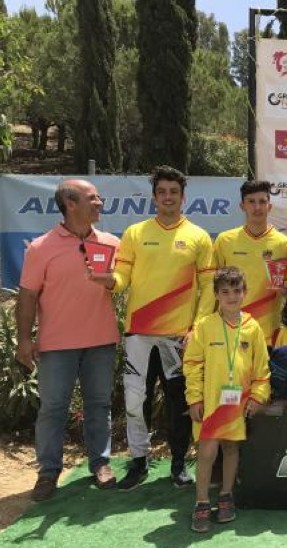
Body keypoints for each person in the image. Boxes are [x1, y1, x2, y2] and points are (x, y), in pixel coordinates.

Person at [95, 165, 215, 491]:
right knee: (135, 401)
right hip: (139, 334)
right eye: (162, 192)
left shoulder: (199, 237)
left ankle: (178, 465)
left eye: (173, 192)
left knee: (179, 404)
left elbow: (209, 288)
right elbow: (121, 279)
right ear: (154, 197)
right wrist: (109, 282)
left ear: (182, 196)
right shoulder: (135, 233)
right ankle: (139, 462)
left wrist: (197, 328)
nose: (167, 198)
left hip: (179, 338)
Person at [17, 180, 120, 500]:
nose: (100, 203)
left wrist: (111, 281)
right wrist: (23, 340)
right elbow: (27, 297)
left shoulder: (110, 242)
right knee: (53, 408)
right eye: (93, 198)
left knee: (99, 405)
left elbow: (120, 283)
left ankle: (100, 463)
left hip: (101, 341)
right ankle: (48, 472)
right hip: (56, 345)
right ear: (71, 204)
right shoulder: (40, 248)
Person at [183, 267, 270, 533]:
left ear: (245, 292)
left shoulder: (252, 327)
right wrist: (194, 398)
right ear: (216, 295)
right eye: (225, 292)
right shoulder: (205, 326)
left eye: (237, 291)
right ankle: (200, 502)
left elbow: (261, 368)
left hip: (238, 403)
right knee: (207, 453)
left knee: (231, 449)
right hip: (210, 402)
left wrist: (257, 396)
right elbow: (192, 364)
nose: (232, 296)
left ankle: (225, 496)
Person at [214, 180, 287, 345]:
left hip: (269, 332)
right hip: (230, 328)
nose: (257, 207)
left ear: (269, 207)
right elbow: (211, 285)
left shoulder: (284, 244)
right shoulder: (225, 240)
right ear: (242, 206)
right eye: (251, 202)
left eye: (262, 202)